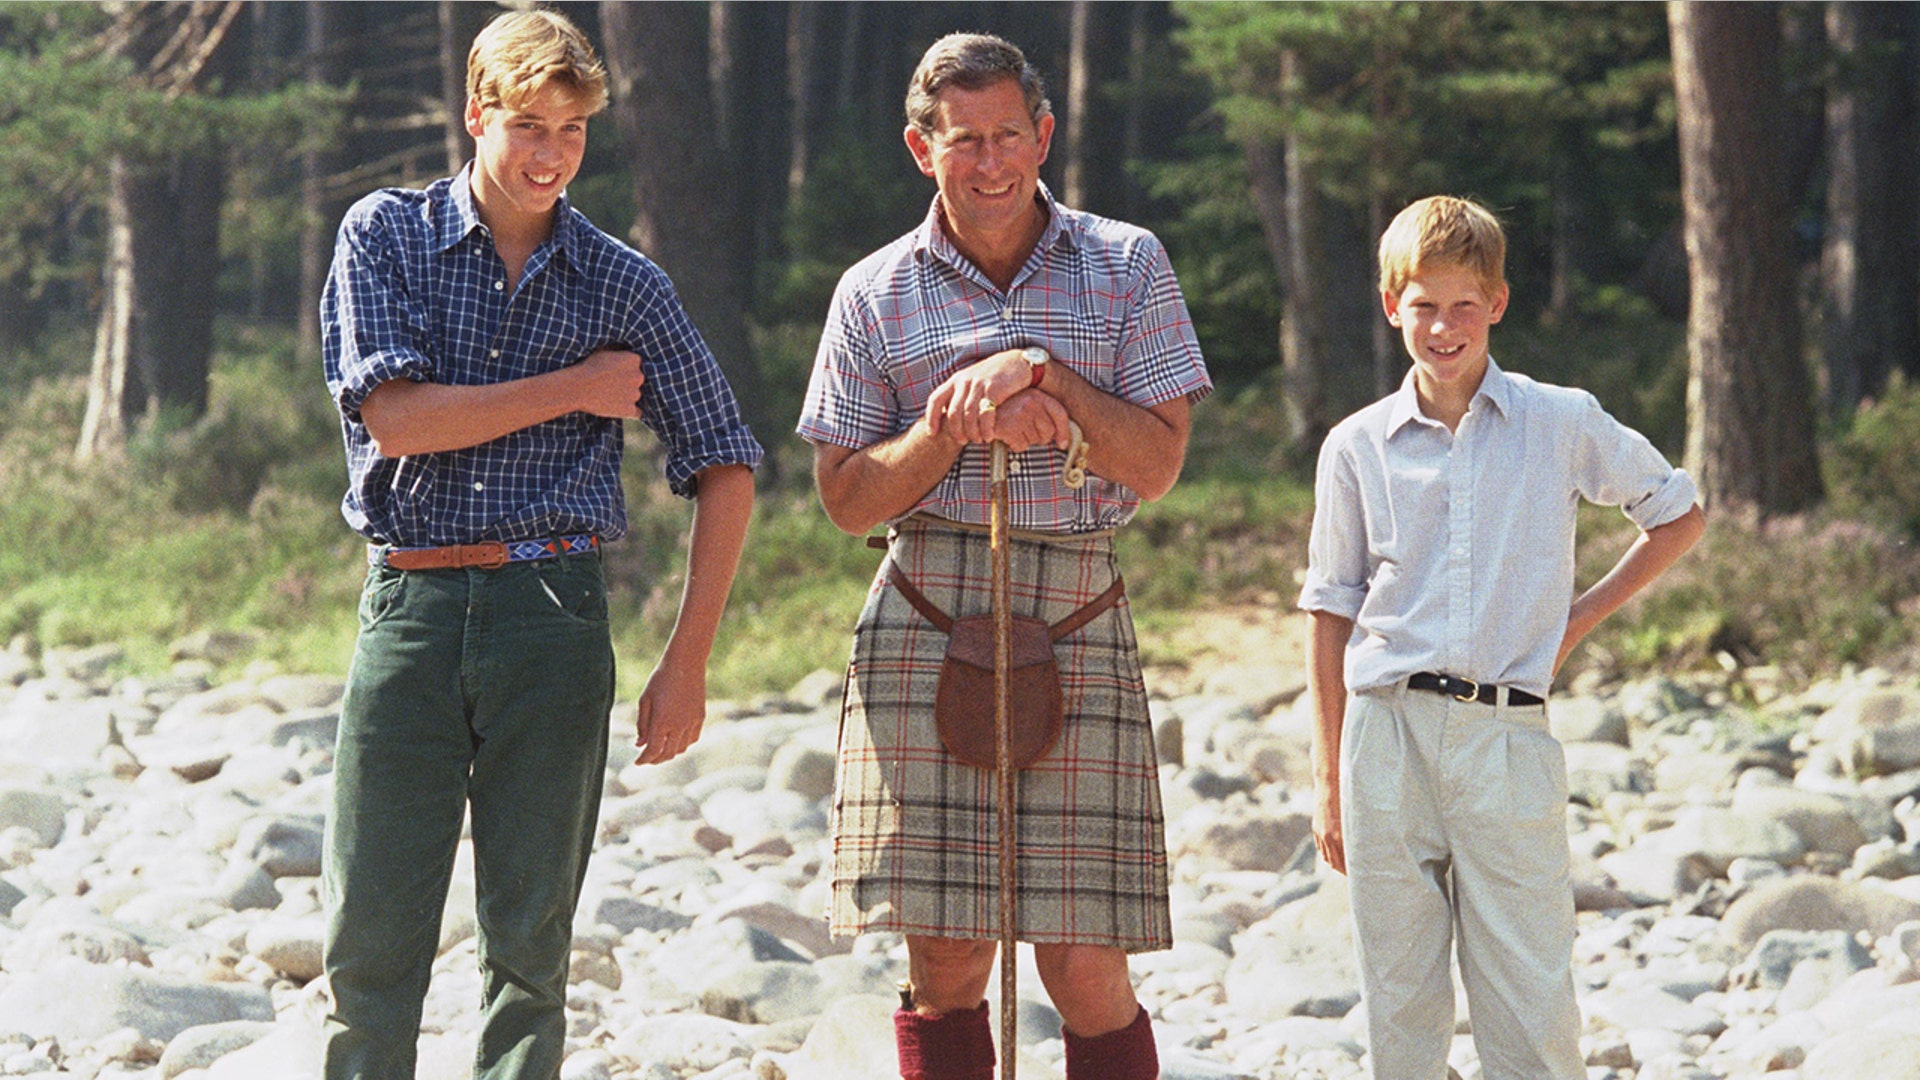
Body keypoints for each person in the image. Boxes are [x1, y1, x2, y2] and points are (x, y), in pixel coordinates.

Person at [318, 10, 762, 1078]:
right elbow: (400, 420)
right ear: (476, 114)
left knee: (529, 955)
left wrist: (687, 660)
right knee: (369, 950)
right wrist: (576, 391)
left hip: (554, 624)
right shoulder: (384, 235)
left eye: (571, 128)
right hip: (410, 613)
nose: (550, 152)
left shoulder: (623, 282)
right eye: (527, 124)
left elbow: (728, 464)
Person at [796, 31, 1211, 1080]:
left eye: (1009, 135)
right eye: (964, 140)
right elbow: (846, 500)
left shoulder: (1128, 264)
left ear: (1045, 134)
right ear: (919, 147)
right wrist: (953, 423)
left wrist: (1054, 387)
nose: (991, 163)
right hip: (925, 609)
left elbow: (1159, 463)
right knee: (944, 952)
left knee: (1082, 961)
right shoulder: (875, 291)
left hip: (1075, 605)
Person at [1301, 195, 1706, 1079]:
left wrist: (1576, 621)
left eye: (1463, 305)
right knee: (1400, 1008)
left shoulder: (1560, 421)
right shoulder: (1355, 446)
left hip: (1508, 738)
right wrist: (1328, 777)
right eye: (1423, 306)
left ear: (1499, 303)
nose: (1443, 327)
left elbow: (1677, 515)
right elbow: (1331, 609)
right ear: (1390, 306)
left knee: (1530, 1001)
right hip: (1384, 736)